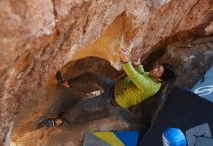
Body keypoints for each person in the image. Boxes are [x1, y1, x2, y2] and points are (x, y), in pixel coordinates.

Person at [40, 48, 177, 127]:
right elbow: (142, 74)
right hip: (114, 87)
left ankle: (60, 121)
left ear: (160, 79)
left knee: (81, 105)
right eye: (158, 67)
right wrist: (139, 65)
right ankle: (67, 83)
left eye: (159, 71)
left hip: (112, 100)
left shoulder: (151, 87)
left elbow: (136, 77)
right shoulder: (152, 77)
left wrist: (126, 62)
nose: (155, 69)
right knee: (91, 76)